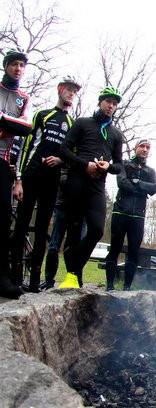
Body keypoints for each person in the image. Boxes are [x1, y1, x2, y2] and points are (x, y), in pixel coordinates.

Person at [10, 75, 81, 293]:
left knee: (42, 229)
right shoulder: (43, 115)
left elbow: (73, 154)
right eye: (68, 90)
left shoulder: (72, 124)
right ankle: (14, 277)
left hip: (53, 180)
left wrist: (61, 160)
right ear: (60, 90)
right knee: (21, 223)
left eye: (74, 92)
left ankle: (34, 279)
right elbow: (26, 146)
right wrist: (18, 179)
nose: (71, 94)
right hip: (33, 173)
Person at [58, 87, 125, 288]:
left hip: (97, 186)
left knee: (96, 229)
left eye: (114, 103)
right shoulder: (82, 123)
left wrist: (108, 166)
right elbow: (64, 150)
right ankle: (73, 278)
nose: (110, 106)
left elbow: (119, 165)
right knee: (74, 230)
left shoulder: (116, 134)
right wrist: (84, 164)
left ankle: (73, 268)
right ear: (100, 102)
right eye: (108, 102)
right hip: (77, 181)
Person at [104, 139, 156, 290]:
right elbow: (122, 183)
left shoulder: (150, 171)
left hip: (138, 216)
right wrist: (140, 189)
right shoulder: (124, 164)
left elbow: (154, 188)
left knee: (134, 250)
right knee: (115, 247)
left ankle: (127, 286)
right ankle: (109, 284)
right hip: (121, 211)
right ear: (136, 148)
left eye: (148, 147)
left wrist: (137, 183)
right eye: (142, 146)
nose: (145, 149)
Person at [0, 49, 32, 298]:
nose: (18, 69)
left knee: (2, 217)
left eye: (22, 65)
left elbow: (25, 127)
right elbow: (14, 126)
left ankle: (2, 275)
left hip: (3, 162)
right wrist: (8, 123)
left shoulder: (23, 98)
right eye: (14, 64)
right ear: (6, 66)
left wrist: (3, 121)